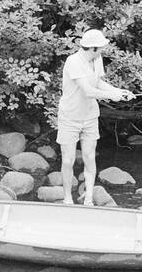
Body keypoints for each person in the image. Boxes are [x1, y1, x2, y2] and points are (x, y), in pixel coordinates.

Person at [56, 29, 134, 206]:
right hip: (70, 117)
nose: (103, 50)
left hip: (90, 116)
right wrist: (111, 97)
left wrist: (118, 92)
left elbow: (98, 83)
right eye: (101, 48)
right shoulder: (73, 62)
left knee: (89, 157)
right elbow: (88, 90)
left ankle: (89, 198)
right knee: (67, 160)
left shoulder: (96, 59)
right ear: (92, 48)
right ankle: (68, 198)